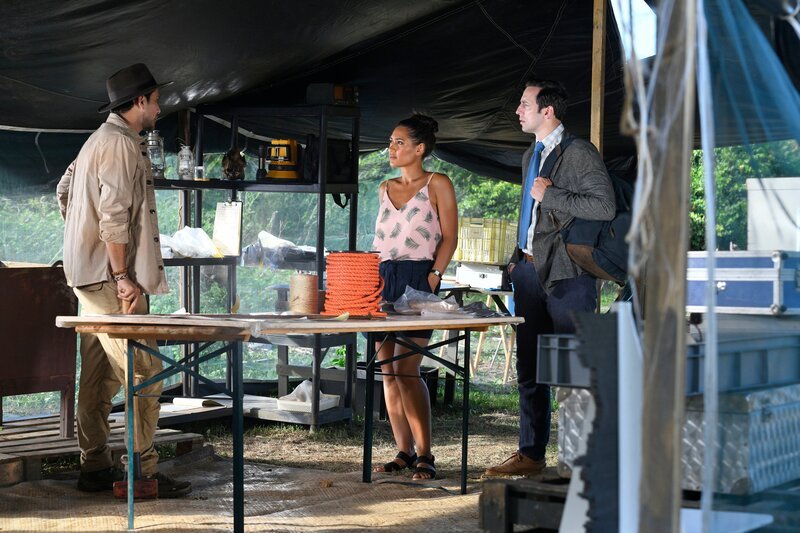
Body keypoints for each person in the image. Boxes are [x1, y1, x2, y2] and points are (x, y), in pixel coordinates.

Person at [56, 63, 191, 498]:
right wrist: (121, 275)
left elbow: (64, 191)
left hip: (89, 276)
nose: (159, 107)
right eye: (155, 99)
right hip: (109, 280)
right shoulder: (117, 144)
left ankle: (95, 465)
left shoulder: (99, 140)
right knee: (145, 372)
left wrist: (82, 239)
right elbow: (113, 216)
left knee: (97, 373)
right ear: (139, 102)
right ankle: (142, 471)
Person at [484, 79, 615, 477]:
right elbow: (530, 215)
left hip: (569, 275)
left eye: (524, 104)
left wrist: (550, 195)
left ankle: (585, 458)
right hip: (528, 270)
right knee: (531, 365)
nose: (518, 111)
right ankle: (530, 453)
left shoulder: (578, 153)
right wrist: (514, 260)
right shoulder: (531, 154)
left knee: (577, 366)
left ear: (548, 111)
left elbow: (604, 206)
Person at [371, 114, 458, 480]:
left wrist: (434, 277)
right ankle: (403, 451)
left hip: (419, 276)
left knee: (408, 367)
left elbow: (450, 237)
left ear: (419, 149)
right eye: (391, 142)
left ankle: (426, 454)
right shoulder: (383, 187)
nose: (392, 148)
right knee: (387, 370)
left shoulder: (437, 183)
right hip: (383, 278)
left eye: (399, 142)